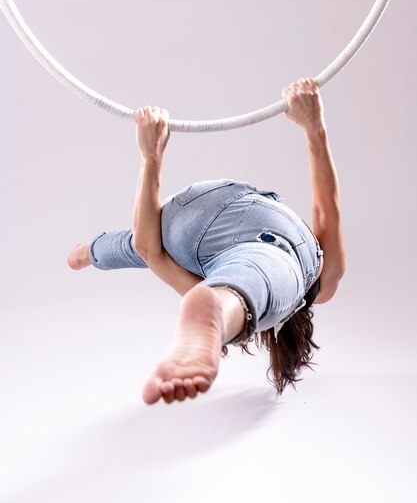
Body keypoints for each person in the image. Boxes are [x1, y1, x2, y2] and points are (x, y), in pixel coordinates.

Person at [67, 77, 346, 405]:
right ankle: (89, 254)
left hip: (238, 209)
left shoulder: (321, 288)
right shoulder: (296, 288)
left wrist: (315, 127)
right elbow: (148, 249)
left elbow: (327, 211)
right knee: (152, 249)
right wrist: (151, 158)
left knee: (239, 270)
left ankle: (90, 255)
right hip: (191, 219)